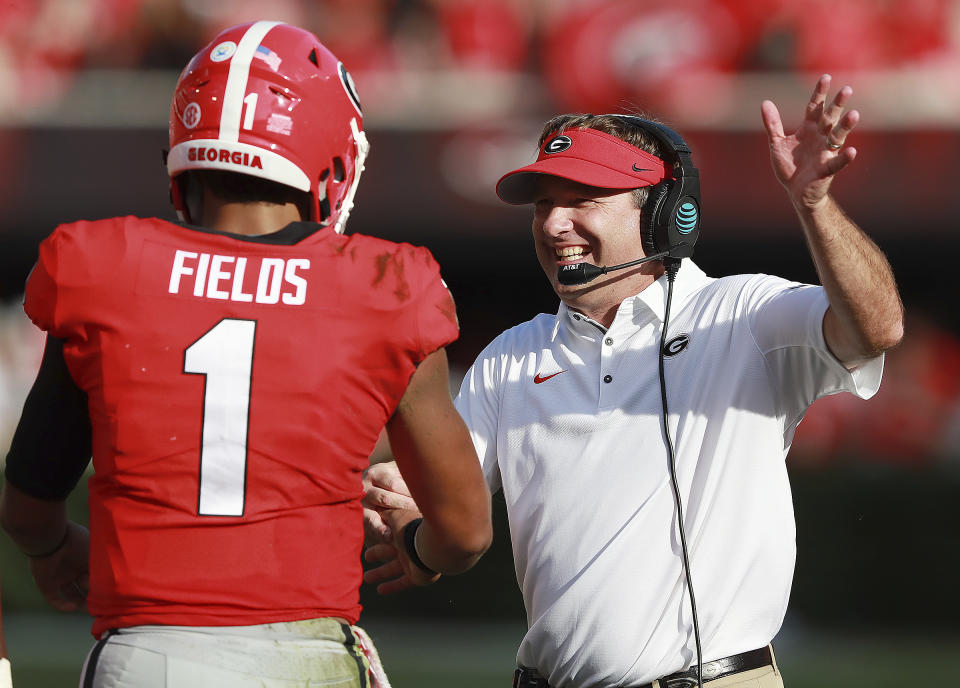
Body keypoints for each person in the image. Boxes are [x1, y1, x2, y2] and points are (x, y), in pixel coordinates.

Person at [363, 74, 904, 688]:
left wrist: (815, 204)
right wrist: (414, 530)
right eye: (543, 204)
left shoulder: (744, 312)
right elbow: (450, 511)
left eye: (582, 200)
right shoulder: (509, 356)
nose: (554, 224)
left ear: (660, 214)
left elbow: (878, 327)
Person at [0, 21, 491, 688]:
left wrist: (55, 550)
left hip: (146, 657)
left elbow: (28, 507)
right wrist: (419, 551)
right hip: (303, 656)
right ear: (332, 150)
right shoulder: (387, 286)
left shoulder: (102, 269)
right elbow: (464, 531)